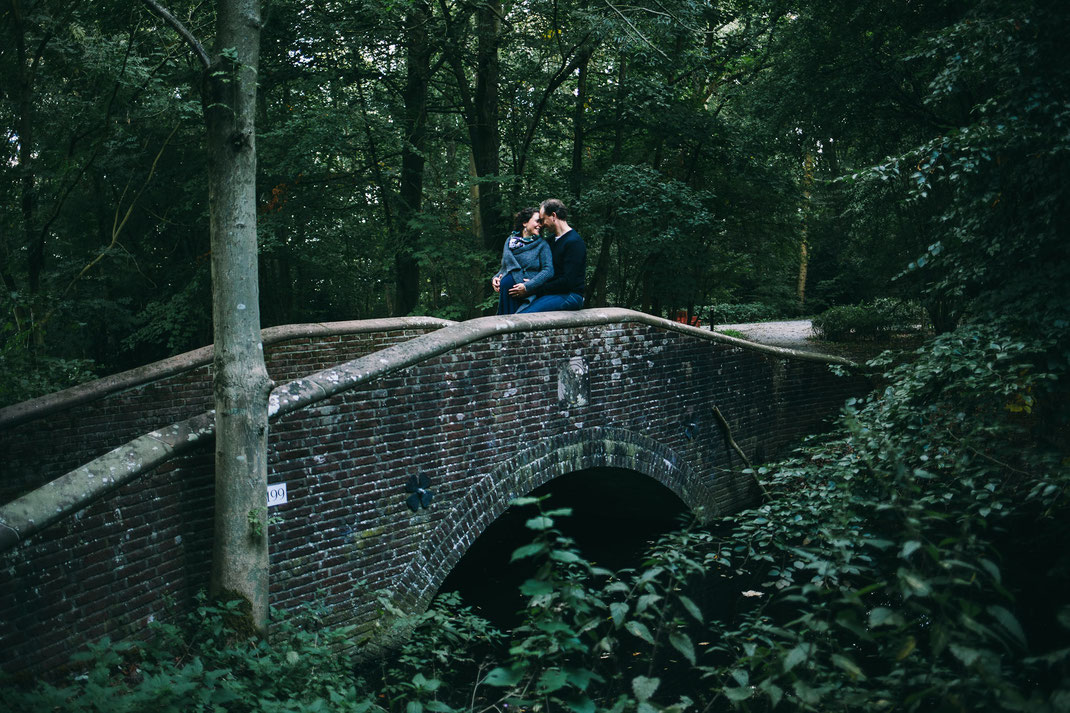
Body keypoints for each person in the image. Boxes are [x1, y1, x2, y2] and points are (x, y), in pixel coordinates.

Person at [517, 198, 586, 312]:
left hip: (570, 295)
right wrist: (500, 276)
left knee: (526, 315)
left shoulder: (574, 242)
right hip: (549, 293)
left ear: (553, 216)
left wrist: (534, 289)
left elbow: (568, 281)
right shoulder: (548, 241)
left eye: (543, 219)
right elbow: (527, 261)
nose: (542, 224)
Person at [492, 207, 554, 314]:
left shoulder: (542, 245)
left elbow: (548, 270)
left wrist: (528, 286)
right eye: (537, 221)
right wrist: (495, 278)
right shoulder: (510, 241)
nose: (540, 225)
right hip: (506, 295)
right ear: (525, 223)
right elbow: (505, 267)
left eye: (541, 222)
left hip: (524, 295)